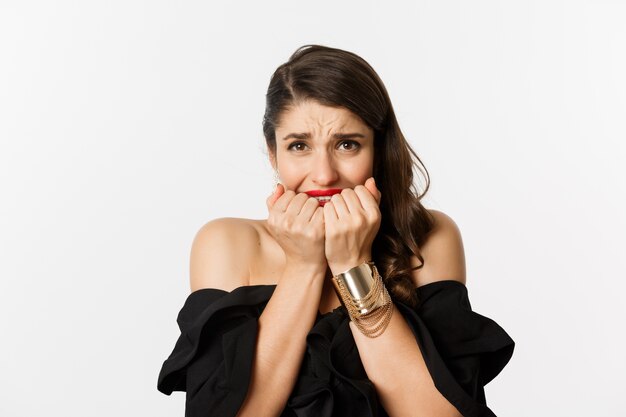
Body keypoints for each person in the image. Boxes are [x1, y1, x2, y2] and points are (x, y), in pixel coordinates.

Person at [157, 44, 515, 417]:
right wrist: (304, 266)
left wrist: (352, 265)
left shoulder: (427, 236)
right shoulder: (227, 243)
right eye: (299, 146)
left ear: (377, 149)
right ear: (273, 154)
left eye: (347, 144)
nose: (324, 174)